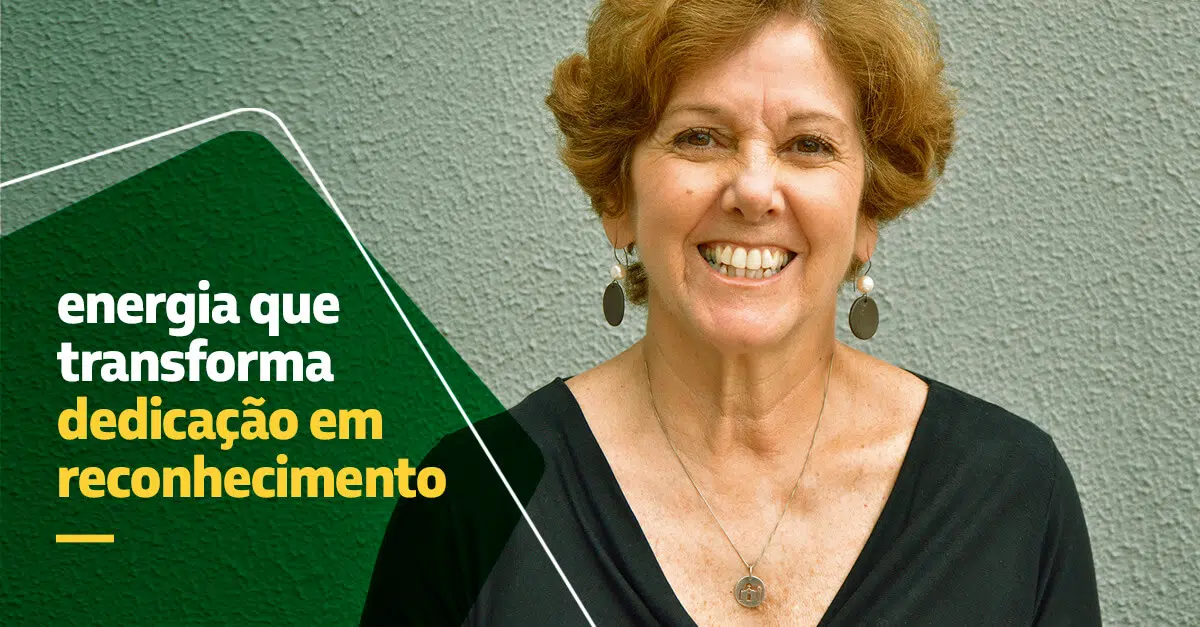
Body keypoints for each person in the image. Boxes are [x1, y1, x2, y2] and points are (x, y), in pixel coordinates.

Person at [362, 0, 1102, 624]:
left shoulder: (1013, 495)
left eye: (808, 144)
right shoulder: (475, 500)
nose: (753, 189)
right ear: (618, 196)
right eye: (699, 137)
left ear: (868, 211)